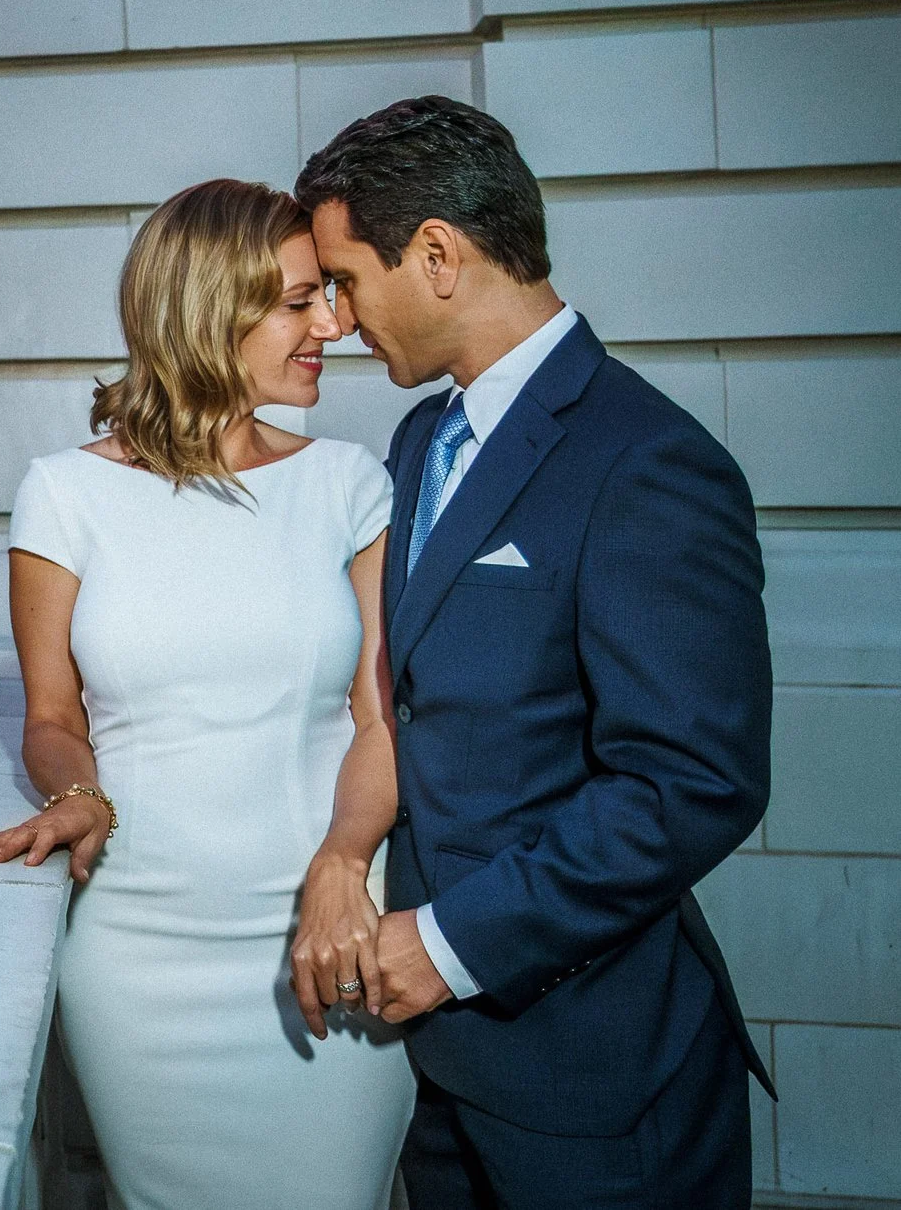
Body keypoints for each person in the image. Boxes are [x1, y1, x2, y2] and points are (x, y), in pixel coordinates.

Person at [295, 96, 773, 1209]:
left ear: (437, 254)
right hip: (440, 1072)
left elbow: (692, 781)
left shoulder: (648, 460)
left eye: (345, 277)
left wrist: (454, 942)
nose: (338, 313)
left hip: (598, 1078)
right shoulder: (421, 438)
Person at [0, 178, 414, 1210]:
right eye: (299, 301)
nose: (331, 322)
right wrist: (76, 795)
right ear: (209, 309)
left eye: (327, 295)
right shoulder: (64, 492)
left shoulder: (350, 482)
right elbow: (50, 716)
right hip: (138, 946)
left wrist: (346, 863)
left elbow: (378, 716)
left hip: (327, 928)